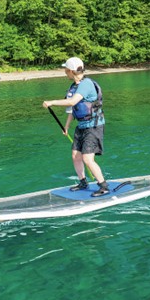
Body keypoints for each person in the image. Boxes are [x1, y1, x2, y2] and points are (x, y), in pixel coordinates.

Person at [42, 56, 108, 196]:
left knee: (87, 159)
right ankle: (83, 182)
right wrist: (66, 127)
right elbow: (73, 110)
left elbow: (72, 102)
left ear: (71, 71)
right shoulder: (73, 87)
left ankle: (103, 186)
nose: (65, 72)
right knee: (75, 155)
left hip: (93, 126)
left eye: (66, 70)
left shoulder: (86, 84)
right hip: (82, 125)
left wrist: (52, 102)